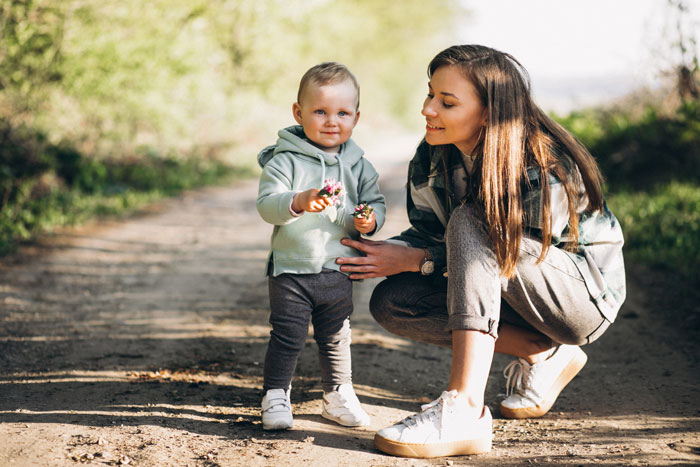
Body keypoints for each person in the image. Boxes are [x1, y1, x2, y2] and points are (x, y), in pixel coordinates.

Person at [337, 45, 626, 458]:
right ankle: (542, 353)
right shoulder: (432, 154)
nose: (427, 109)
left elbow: (506, 251)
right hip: (510, 291)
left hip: (578, 297)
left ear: (490, 112)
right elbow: (430, 232)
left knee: (474, 221)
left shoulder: (543, 161)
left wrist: (423, 259)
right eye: (430, 95)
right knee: (393, 301)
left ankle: (465, 409)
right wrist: (380, 249)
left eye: (446, 102)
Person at [256, 62, 386, 431]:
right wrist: (297, 201)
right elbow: (268, 205)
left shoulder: (358, 165)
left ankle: (338, 394)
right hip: (291, 270)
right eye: (320, 111)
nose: (332, 121)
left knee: (336, 336)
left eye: (342, 113)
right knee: (287, 335)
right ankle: (276, 394)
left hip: (338, 267)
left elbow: (375, 202)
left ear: (356, 118)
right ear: (299, 113)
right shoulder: (284, 160)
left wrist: (369, 220)